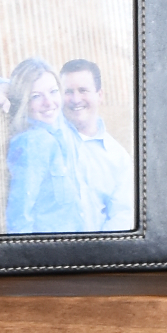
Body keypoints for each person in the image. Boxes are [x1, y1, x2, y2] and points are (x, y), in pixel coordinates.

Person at [0, 58, 91, 234]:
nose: (49, 103)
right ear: (23, 101)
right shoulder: (33, 143)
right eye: (35, 96)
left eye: (53, 92)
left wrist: (0, 86)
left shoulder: (60, 128)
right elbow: (20, 215)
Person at [59, 57, 134, 230]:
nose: (75, 99)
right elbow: (25, 88)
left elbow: (121, 216)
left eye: (83, 90)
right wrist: (1, 88)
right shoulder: (49, 138)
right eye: (68, 91)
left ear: (100, 95)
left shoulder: (119, 158)